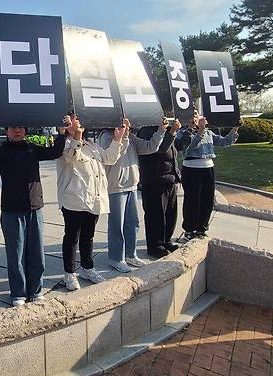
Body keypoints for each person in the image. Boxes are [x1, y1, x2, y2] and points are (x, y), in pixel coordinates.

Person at [0, 115, 68, 306]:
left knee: (37, 253)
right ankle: (18, 292)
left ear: (25, 130)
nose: (17, 130)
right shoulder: (2, 151)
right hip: (11, 210)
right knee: (15, 255)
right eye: (13, 127)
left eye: (21, 127)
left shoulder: (32, 148)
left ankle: (36, 289)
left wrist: (62, 132)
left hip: (35, 207)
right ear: (6, 131)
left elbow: (55, 151)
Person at [56, 115, 127, 290]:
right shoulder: (63, 145)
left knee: (88, 236)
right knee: (72, 237)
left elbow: (109, 158)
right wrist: (76, 138)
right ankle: (69, 274)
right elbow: (69, 158)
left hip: (94, 199)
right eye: (74, 118)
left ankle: (88, 268)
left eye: (79, 118)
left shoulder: (92, 145)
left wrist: (118, 139)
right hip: (74, 200)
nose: (78, 120)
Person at [98, 118, 166, 273]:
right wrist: (123, 137)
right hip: (116, 187)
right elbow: (113, 157)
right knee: (117, 225)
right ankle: (116, 258)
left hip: (131, 186)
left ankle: (130, 254)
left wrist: (161, 130)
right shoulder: (107, 136)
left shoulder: (132, 137)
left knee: (132, 223)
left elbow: (150, 147)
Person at [176, 112, 240, 239]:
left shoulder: (208, 132)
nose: (195, 118)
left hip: (208, 168)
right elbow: (189, 146)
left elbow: (224, 142)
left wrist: (235, 128)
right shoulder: (183, 132)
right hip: (191, 169)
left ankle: (201, 228)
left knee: (207, 201)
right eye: (192, 115)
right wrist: (199, 131)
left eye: (196, 115)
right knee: (192, 201)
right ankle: (189, 229)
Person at [138, 118, 182, 258]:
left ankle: (166, 241)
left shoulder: (166, 130)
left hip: (170, 178)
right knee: (155, 216)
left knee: (170, 214)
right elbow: (160, 149)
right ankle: (155, 246)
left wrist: (191, 131)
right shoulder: (146, 131)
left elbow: (179, 146)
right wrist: (171, 131)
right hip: (154, 180)